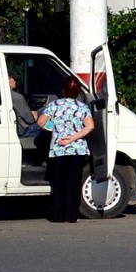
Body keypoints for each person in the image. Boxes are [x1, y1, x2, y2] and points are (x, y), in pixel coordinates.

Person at [35, 76, 95, 223]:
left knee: (58, 183)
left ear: (63, 91)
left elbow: (41, 122)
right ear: (78, 92)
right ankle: (71, 215)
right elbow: (90, 126)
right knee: (73, 183)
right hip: (77, 149)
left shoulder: (55, 105)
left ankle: (57, 216)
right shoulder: (82, 107)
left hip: (58, 149)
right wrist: (73, 137)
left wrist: (55, 129)